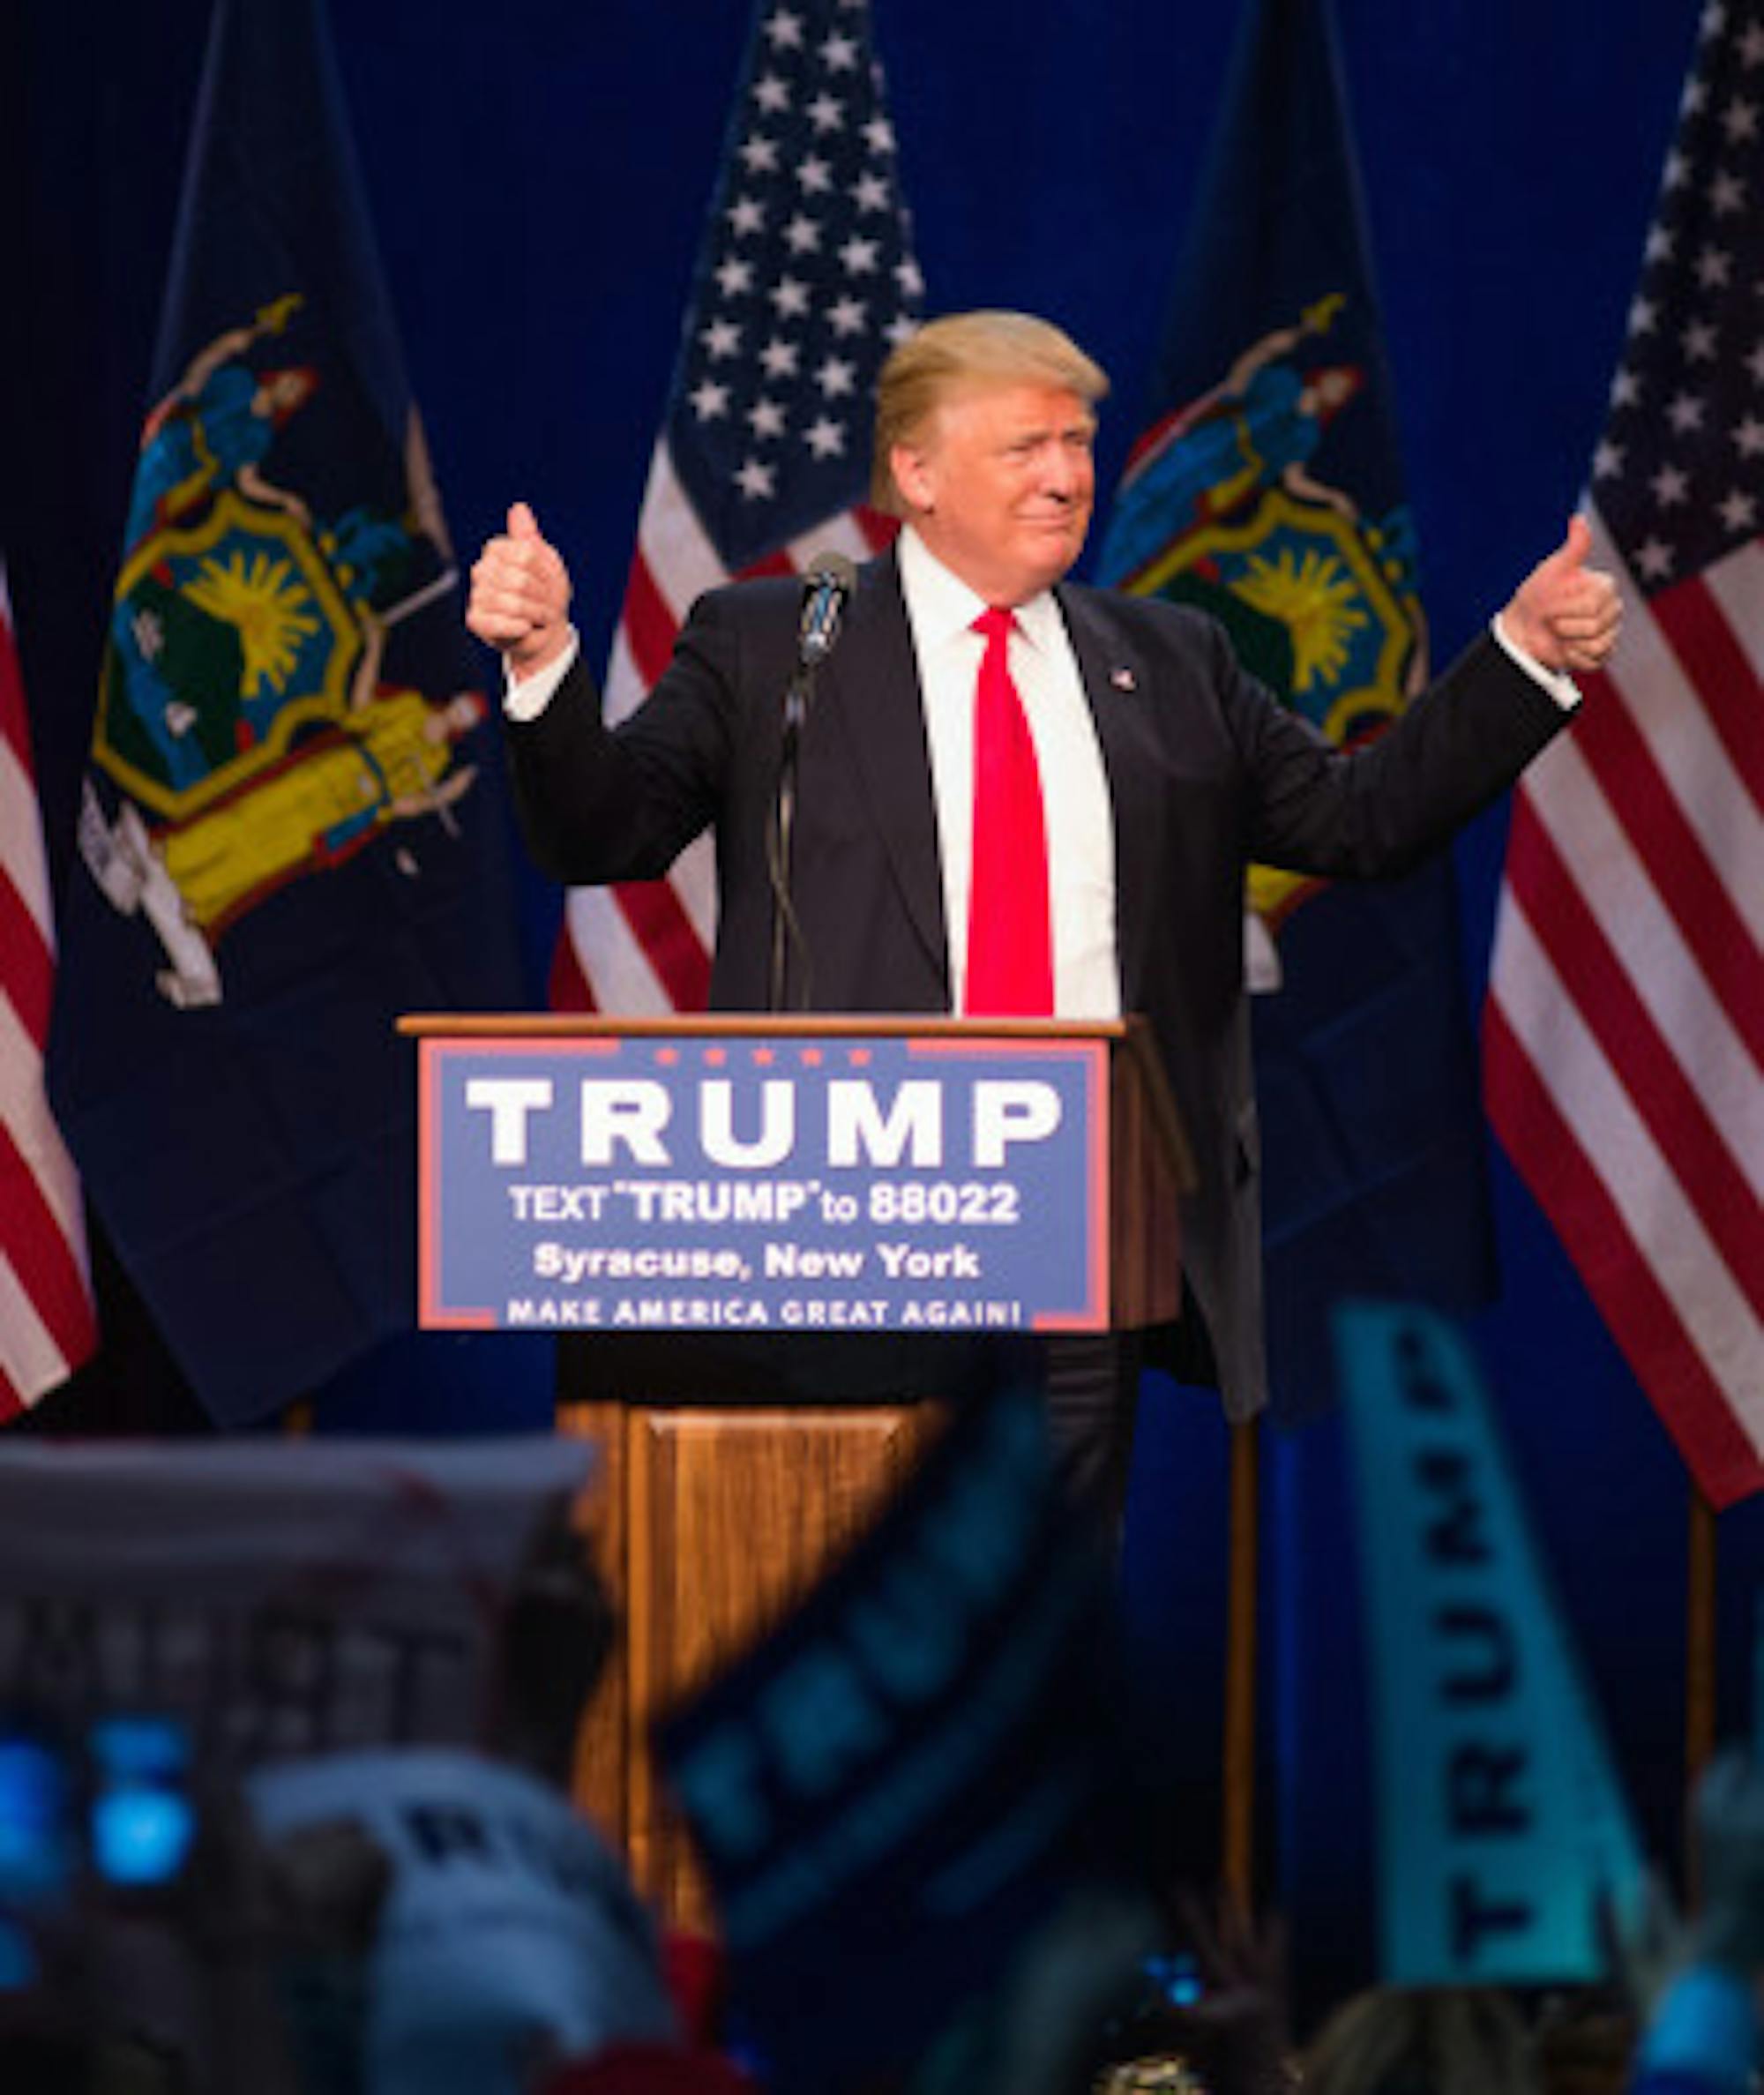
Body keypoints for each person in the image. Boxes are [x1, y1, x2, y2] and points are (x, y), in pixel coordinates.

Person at [467, 309, 1619, 1520]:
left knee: (1036, 1623)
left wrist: (1521, 656)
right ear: (915, 472)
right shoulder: (774, 647)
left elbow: (1360, 818)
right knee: (839, 1610)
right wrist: (544, 665)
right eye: (1024, 447)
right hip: (844, 1224)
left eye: (1075, 441)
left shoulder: (1174, 660)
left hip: (1084, 1227)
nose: (1067, 476)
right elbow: (604, 835)